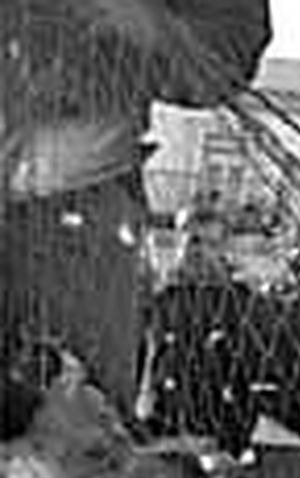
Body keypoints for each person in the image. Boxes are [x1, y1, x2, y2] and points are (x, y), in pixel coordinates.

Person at [1, 0, 273, 415]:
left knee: (72, 419)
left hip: (76, 208)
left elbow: (227, 49)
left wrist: (138, 24)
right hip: (69, 190)